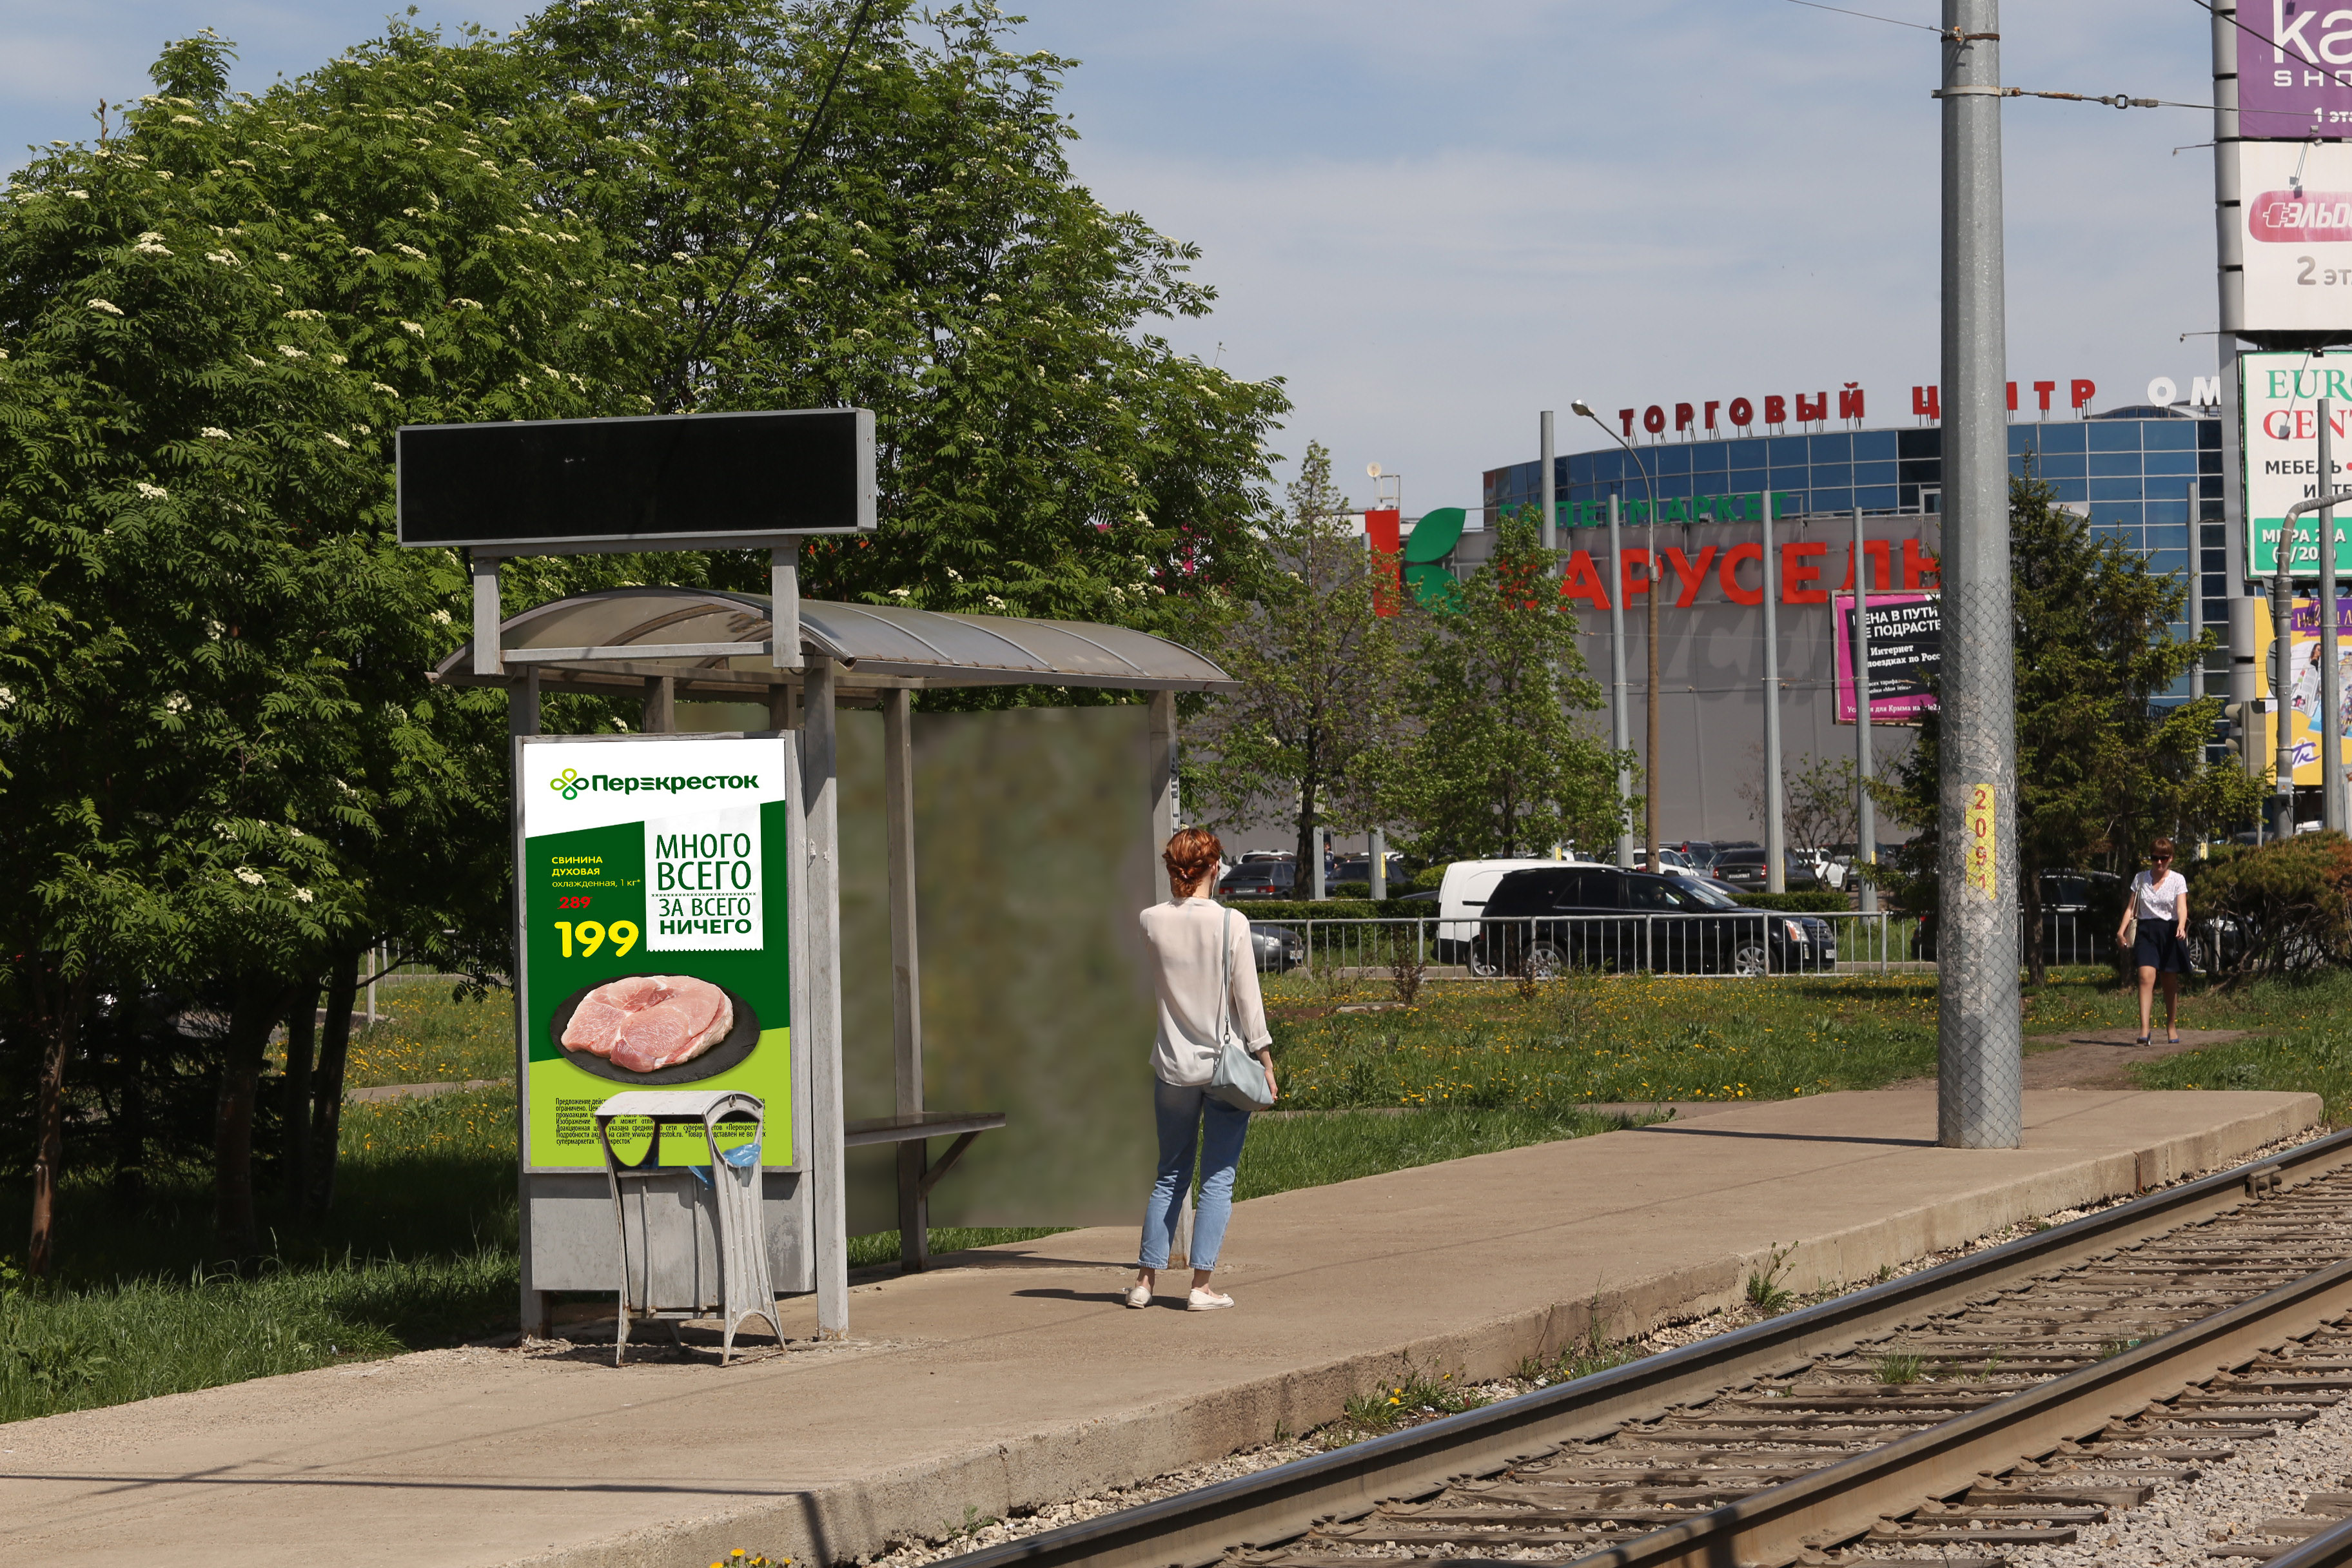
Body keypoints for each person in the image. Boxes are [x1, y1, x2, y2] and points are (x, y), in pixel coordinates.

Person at [1130, 826, 1276, 1312]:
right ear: (1214, 867)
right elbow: (1247, 1000)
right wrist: (1266, 1060)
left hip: (1171, 1065)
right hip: (1222, 1067)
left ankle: (1145, 1283)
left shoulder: (1150, 921)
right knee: (1217, 1177)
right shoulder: (1231, 922)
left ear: (1173, 869)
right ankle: (1200, 1287)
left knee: (1169, 1174)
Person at [2117, 838, 2191, 1046]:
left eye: (2164, 858)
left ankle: (2171, 1026)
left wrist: (2181, 925)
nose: (2159, 863)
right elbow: (2131, 909)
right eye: (2155, 858)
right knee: (2145, 977)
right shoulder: (2140, 879)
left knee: (2169, 981)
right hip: (2146, 932)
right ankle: (2144, 1029)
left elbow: (2182, 908)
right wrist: (2121, 932)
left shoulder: (2178, 880)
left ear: (2171, 858)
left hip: (2170, 932)